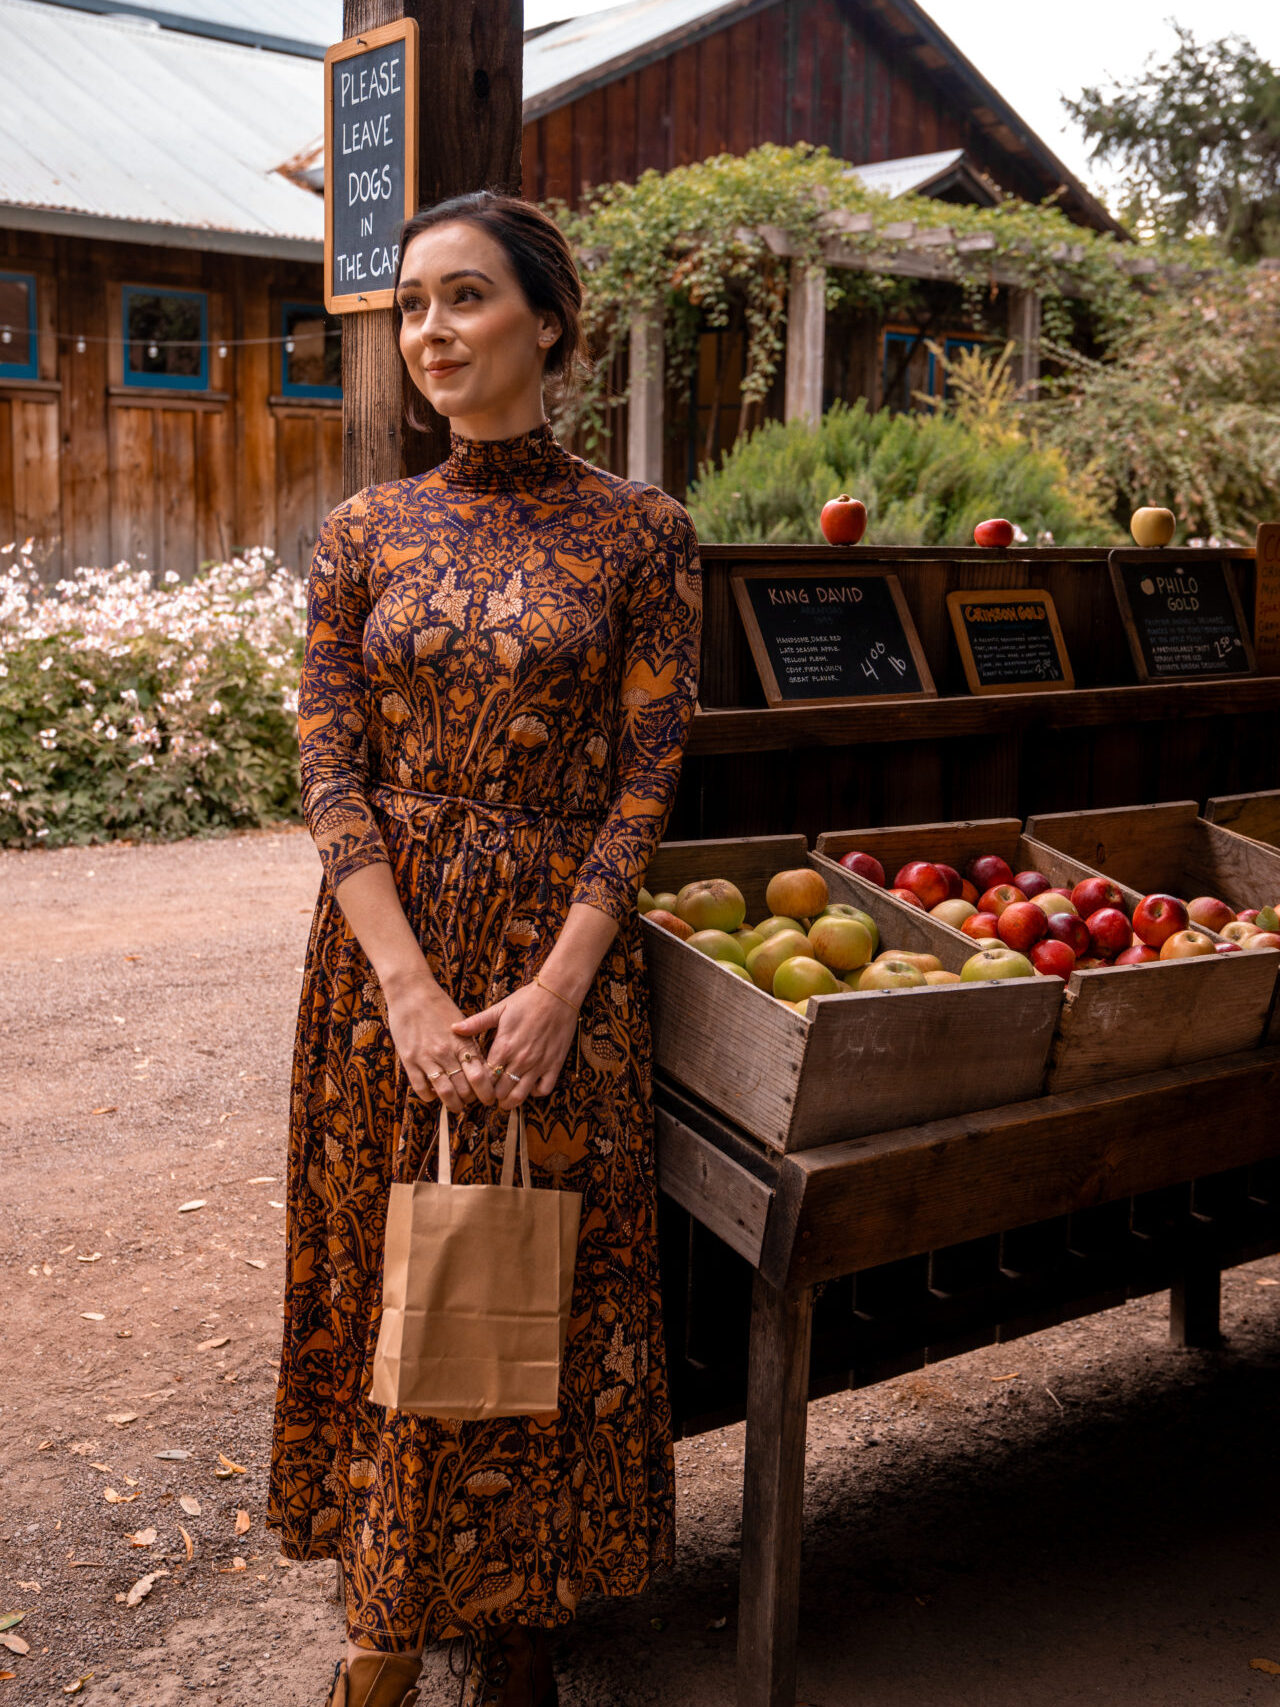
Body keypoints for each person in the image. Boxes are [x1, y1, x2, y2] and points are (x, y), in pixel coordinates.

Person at [266, 190, 703, 1707]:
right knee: (396, 1274)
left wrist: (564, 983)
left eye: (465, 300)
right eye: (412, 309)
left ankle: (524, 1618)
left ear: (550, 321)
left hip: (553, 955)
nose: (431, 334)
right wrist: (402, 981)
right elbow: (328, 763)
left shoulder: (643, 533)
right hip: (383, 957)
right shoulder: (364, 532)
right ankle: (388, 1621)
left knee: (536, 1274)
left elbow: (648, 772)